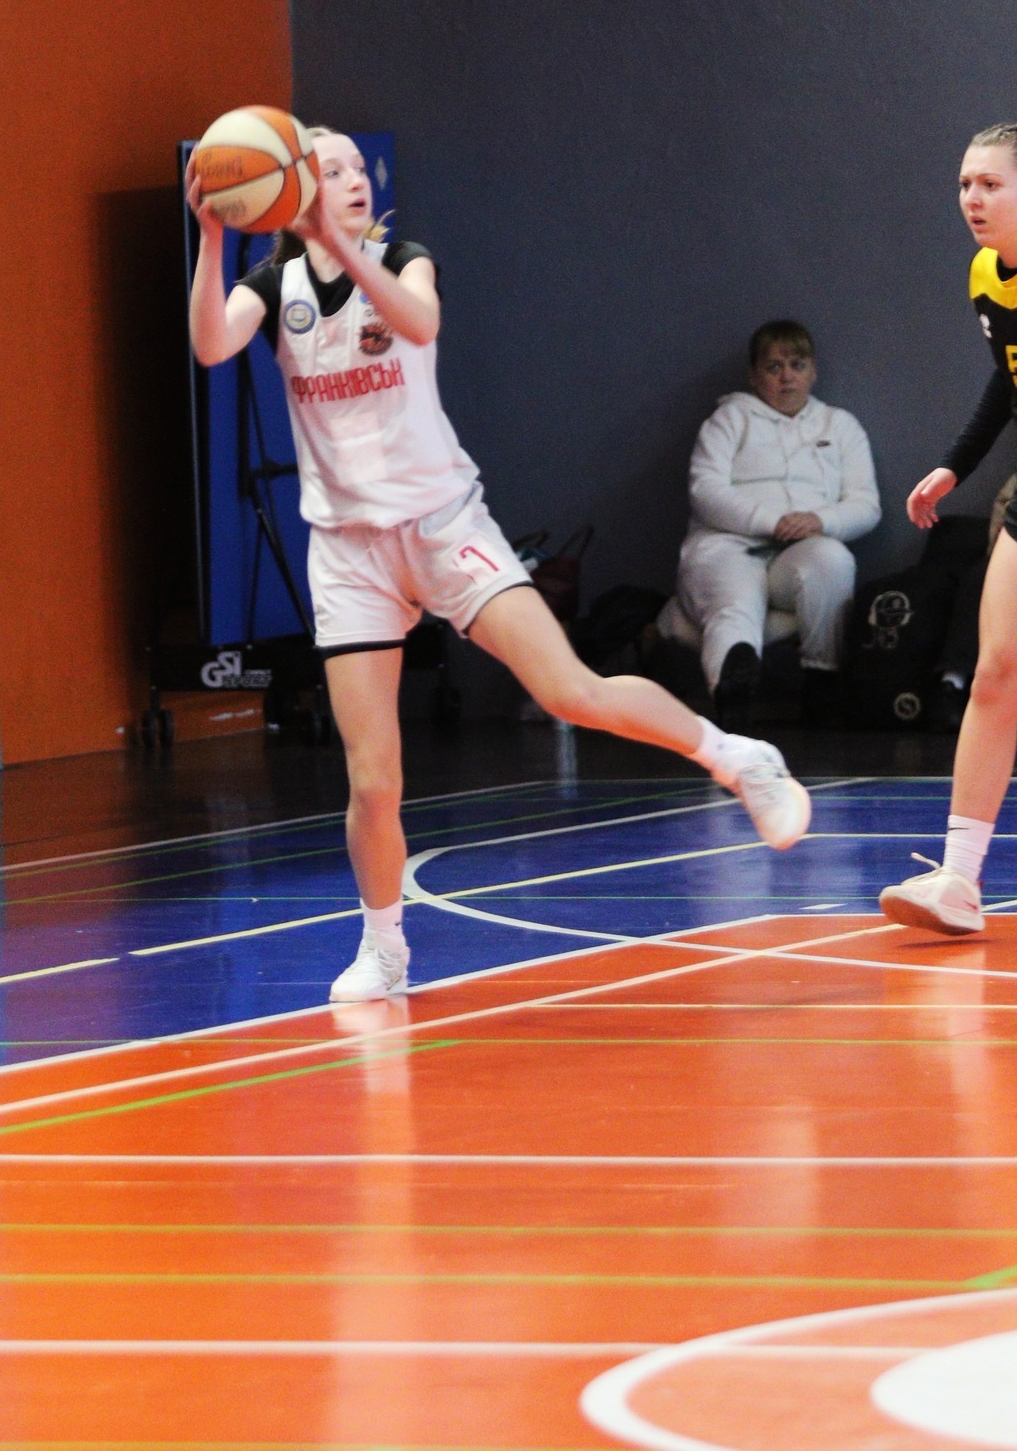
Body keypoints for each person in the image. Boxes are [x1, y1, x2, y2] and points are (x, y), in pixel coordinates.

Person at [186, 126, 813, 1001]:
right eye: (332, 171)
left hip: (443, 526)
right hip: (349, 552)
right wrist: (214, 235)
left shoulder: (403, 260)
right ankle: (383, 947)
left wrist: (340, 245)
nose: (356, 180)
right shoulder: (273, 287)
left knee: (569, 691)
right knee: (373, 780)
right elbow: (211, 345)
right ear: (292, 190)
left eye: (360, 168)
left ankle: (736, 757)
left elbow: (419, 321)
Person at [881, 122, 1017, 937]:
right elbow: (1006, 382)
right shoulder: (984, 274)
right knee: (995, 670)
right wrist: (953, 466)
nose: (971, 198)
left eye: (990, 184)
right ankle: (958, 882)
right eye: (965, 183)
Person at [673, 322, 880, 723]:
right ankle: (732, 696)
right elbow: (705, 489)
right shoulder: (729, 419)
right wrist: (771, 521)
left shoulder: (840, 426)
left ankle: (822, 685)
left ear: (813, 372)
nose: (787, 376)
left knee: (832, 559)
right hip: (728, 544)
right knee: (737, 598)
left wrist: (819, 520)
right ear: (754, 376)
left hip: (799, 550)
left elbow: (866, 504)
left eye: (797, 365)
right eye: (774, 367)